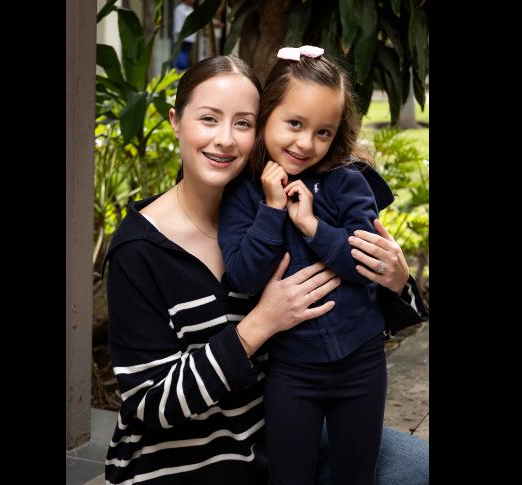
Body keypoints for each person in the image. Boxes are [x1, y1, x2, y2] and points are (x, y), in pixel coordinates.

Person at [102, 55, 428, 485]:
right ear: (176, 121)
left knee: (418, 466)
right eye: (208, 119)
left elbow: (358, 301)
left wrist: (399, 280)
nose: (224, 139)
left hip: (275, 432)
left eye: (242, 122)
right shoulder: (138, 251)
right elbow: (147, 405)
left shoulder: (283, 203)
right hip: (187, 463)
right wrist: (259, 325)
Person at [217, 45, 426, 485]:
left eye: (323, 132)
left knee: (356, 473)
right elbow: (243, 277)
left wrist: (313, 227)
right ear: (266, 114)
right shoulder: (243, 196)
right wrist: (273, 211)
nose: (306, 143)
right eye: (294, 124)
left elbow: (367, 263)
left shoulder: (347, 182)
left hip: (362, 362)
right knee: (290, 473)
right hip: (292, 370)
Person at [173, 0, 196, 70]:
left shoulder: (190, 9)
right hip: (184, 38)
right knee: (182, 59)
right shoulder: (180, 9)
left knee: (186, 57)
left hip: (190, 38)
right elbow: (178, 25)